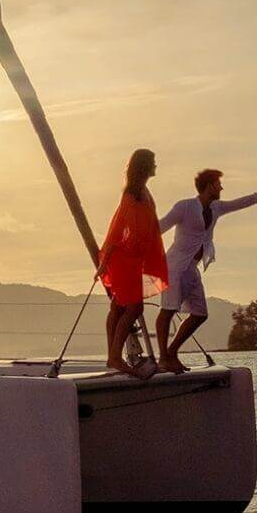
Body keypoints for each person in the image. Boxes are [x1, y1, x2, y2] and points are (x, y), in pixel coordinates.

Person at [155, 169, 257, 372]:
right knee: (168, 310)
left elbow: (240, 203)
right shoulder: (185, 207)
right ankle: (163, 358)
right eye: (218, 184)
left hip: (191, 268)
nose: (221, 188)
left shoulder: (216, 208)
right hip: (174, 266)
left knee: (200, 313)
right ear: (209, 186)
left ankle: (172, 352)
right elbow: (160, 227)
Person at [95, 149, 167, 378]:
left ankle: (112, 356)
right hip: (126, 258)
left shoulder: (143, 192)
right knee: (134, 307)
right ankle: (114, 356)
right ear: (145, 166)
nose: (156, 165)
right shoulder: (131, 195)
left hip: (136, 259)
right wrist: (105, 260)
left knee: (118, 306)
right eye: (153, 162)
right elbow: (118, 229)